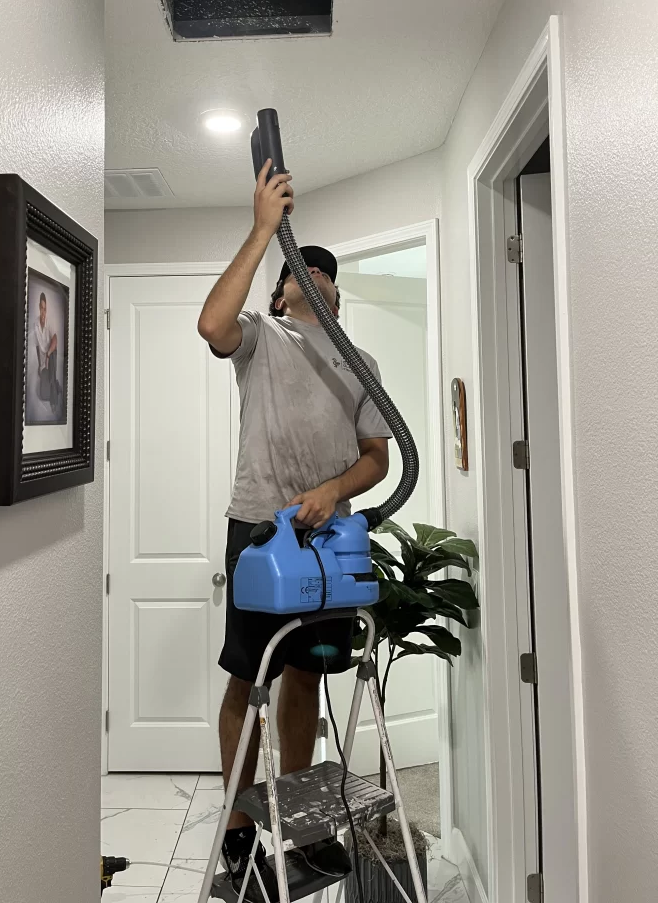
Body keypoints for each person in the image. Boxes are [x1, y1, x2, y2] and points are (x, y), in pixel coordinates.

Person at [197, 161, 392, 900]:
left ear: (337, 294)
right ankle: (239, 838)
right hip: (258, 529)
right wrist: (258, 231)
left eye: (322, 274)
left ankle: (305, 833)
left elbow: (378, 458)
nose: (309, 278)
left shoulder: (362, 362)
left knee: (307, 673)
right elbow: (211, 323)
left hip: (329, 544)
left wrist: (332, 491)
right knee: (248, 674)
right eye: (296, 272)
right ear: (282, 289)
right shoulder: (260, 337)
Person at [33, 291, 60, 414]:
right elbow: (38, 347)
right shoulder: (35, 324)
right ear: (39, 307)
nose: (44, 312)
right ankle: (57, 386)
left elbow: (55, 340)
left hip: (51, 352)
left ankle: (53, 403)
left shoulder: (50, 321)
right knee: (44, 392)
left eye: (45, 309)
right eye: (42, 308)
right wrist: (40, 365)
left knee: (51, 378)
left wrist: (49, 354)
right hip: (44, 356)